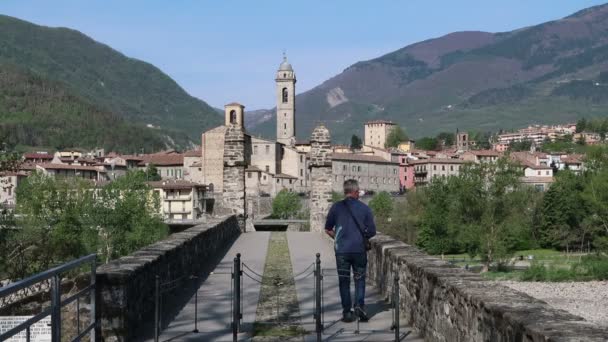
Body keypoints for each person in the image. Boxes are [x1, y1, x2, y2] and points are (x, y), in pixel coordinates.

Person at [324, 179, 377, 323]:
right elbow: (372, 231)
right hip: (359, 250)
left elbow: (328, 229)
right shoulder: (365, 208)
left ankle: (347, 312)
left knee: (344, 281)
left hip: (342, 251)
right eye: (358, 191)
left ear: (345, 191)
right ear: (355, 192)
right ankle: (359, 305)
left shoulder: (336, 207)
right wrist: (362, 236)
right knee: (359, 280)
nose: (359, 193)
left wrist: (338, 238)